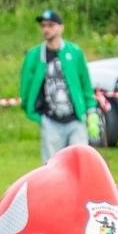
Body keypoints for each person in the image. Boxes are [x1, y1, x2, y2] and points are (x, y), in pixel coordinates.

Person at [18, 10, 100, 163]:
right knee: (52, 166)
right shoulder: (35, 55)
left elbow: (85, 84)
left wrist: (91, 112)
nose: (46, 29)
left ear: (61, 27)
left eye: (50, 25)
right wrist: (35, 113)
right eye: (43, 26)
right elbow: (26, 86)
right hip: (50, 120)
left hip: (76, 119)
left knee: (80, 163)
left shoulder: (74, 53)